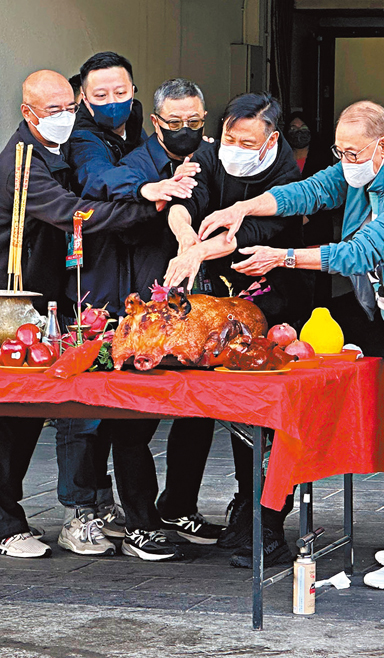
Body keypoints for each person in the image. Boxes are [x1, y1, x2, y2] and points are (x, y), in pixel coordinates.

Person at [201, 100, 384, 589]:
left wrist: (282, 257)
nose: (344, 161)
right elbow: (307, 192)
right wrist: (243, 207)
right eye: (340, 150)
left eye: (352, 152)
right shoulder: (363, 172)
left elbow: (361, 251)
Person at [0, 69, 156, 559]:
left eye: (70, 107)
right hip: (2, 293)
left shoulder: (63, 149)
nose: (65, 118)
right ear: (28, 113)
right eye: (53, 111)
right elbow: (73, 212)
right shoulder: (20, 160)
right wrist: (147, 208)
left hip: (42, 295)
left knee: (29, 409)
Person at [164, 92, 315, 569]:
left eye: (246, 141)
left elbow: (250, 235)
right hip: (213, 301)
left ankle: (265, 524)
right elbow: (180, 200)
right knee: (203, 403)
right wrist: (186, 236)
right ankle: (210, 508)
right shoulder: (210, 154)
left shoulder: (286, 173)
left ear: (271, 139)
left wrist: (199, 253)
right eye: (229, 135)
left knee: (259, 417)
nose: (233, 146)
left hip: (271, 300)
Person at [95, 78, 225, 547]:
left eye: (194, 121)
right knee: (136, 416)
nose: (186, 129)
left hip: (199, 304)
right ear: (155, 122)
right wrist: (157, 193)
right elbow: (113, 185)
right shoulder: (137, 163)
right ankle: (141, 519)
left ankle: (179, 506)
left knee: (199, 413)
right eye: (175, 122)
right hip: (146, 304)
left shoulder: (210, 157)